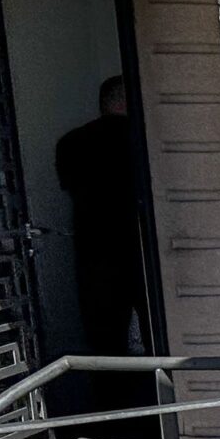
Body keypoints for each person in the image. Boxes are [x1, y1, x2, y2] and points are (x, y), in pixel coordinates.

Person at [54, 74, 148, 359]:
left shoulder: (70, 143)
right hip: (141, 247)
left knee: (105, 339)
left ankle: (112, 399)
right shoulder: (142, 137)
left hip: (94, 251)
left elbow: (69, 186)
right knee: (157, 328)